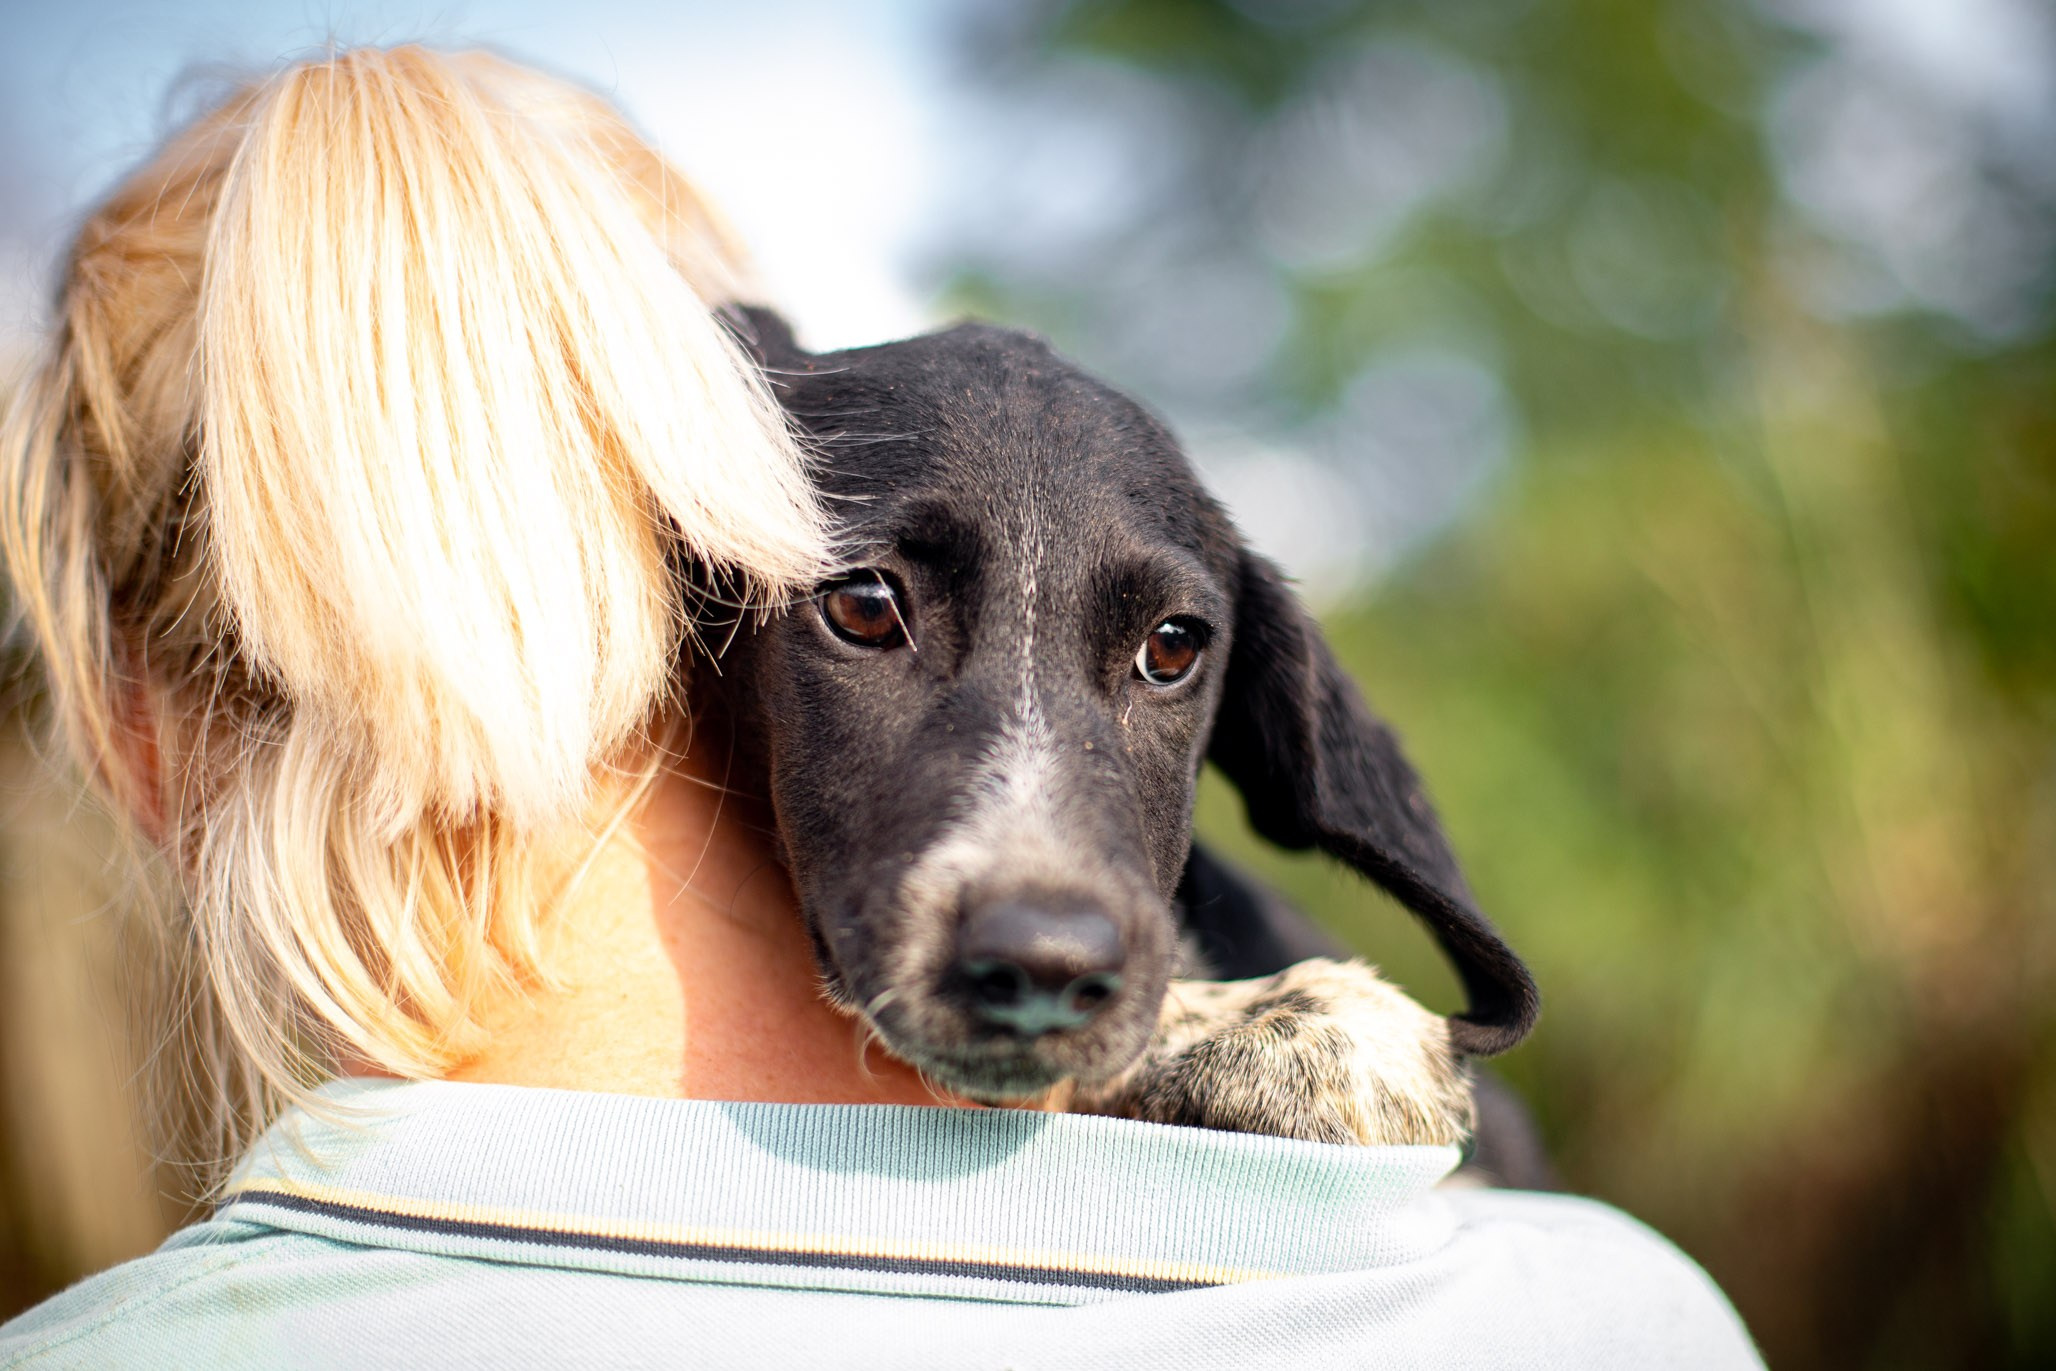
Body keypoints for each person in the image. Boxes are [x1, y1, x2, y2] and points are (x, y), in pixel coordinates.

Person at [0, 45, 1761, 1370]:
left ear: (131, 740)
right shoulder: (1608, 1313)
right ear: (699, 578)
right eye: (857, 609)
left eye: (1162, 655)